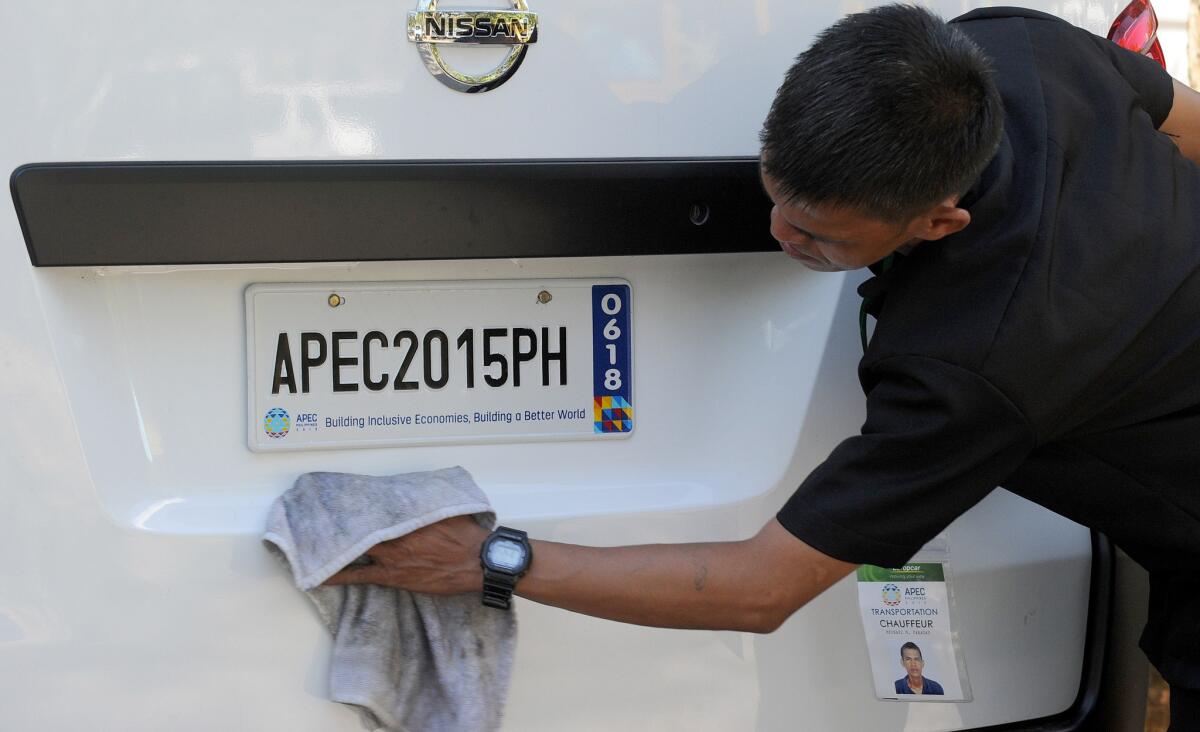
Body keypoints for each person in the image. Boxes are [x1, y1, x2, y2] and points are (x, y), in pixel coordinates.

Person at [326, 5, 1200, 726]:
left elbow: (761, 588)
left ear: (939, 223)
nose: (780, 236)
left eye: (819, 236)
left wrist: (488, 561)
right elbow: (1187, 116)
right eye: (776, 195)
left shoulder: (975, 361)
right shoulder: (1019, 45)